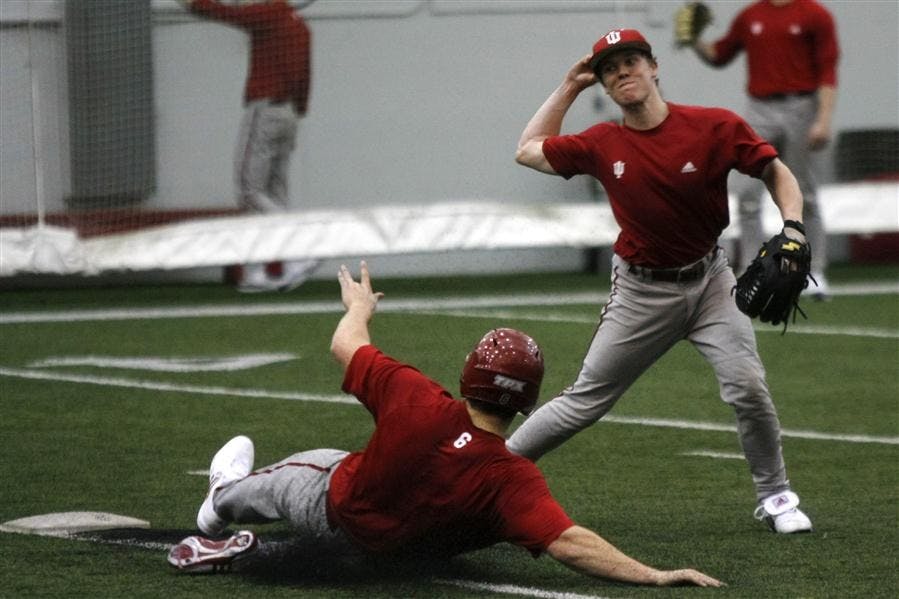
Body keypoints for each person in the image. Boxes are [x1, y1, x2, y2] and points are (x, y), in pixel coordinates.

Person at [168, 261, 723, 588]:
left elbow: (344, 343)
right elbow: (570, 544)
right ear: (527, 401)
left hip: (336, 512)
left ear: (467, 375)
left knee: (310, 465)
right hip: (399, 560)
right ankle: (256, 543)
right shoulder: (513, 480)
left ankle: (219, 503)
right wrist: (653, 574)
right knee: (482, 524)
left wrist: (361, 306)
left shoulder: (416, 397)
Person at [507, 29, 813, 534]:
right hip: (641, 293)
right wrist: (568, 86)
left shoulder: (714, 126)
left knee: (748, 387)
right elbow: (528, 151)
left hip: (711, 282)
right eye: (610, 68)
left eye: (631, 60)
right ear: (603, 84)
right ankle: (486, 471)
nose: (622, 72)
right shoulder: (602, 142)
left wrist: (794, 228)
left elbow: (776, 172)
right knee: (585, 400)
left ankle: (777, 497)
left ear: (654, 67)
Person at [688, 0, 839, 298]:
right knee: (746, 193)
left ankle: (814, 271)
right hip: (760, 108)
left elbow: (827, 70)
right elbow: (719, 54)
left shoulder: (814, 14)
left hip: (802, 105)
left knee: (804, 191)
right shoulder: (750, 16)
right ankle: (751, 270)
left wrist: (823, 119)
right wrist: (694, 41)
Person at [180, 0, 319, 292]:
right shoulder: (299, 25)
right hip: (290, 113)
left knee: (250, 190)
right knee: (276, 195)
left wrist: (194, 3)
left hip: (265, 111)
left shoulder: (270, 14)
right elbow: (305, 77)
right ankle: (276, 270)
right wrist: (296, 112)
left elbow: (230, 14)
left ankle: (303, 247)